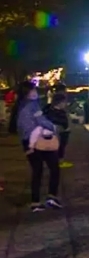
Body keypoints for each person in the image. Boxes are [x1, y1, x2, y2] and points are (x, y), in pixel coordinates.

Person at [16, 82, 61, 212]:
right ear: (27, 93)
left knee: (37, 170)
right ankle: (51, 196)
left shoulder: (20, 105)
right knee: (53, 167)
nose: (35, 92)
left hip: (27, 141)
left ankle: (35, 201)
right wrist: (53, 127)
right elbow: (41, 121)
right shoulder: (33, 105)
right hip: (38, 140)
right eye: (33, 90)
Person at [45, 91, 73, 169]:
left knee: (60, 147)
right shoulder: (56, 113)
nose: (65, 104)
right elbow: (61, 122)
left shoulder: (50, 110)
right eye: (64, 102)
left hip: (62, 133)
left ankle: (57, 161)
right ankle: (59, 162)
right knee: (60, 147)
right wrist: (66, 128)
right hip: (60, 133)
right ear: (59, 102)